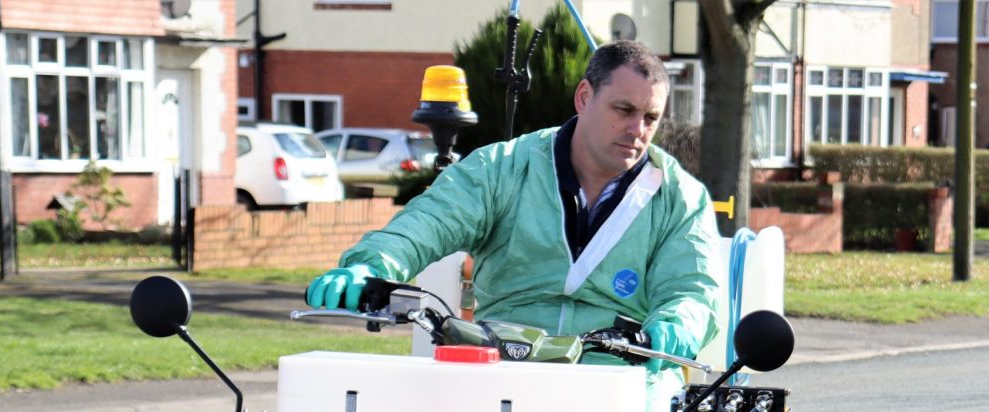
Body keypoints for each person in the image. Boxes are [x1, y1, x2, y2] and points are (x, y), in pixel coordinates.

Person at [305, 40, 720, 369]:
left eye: (651, 117)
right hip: (502, 373)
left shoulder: (681, 197)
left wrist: (678, 322)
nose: (637, 130)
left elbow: (692, 289)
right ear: (583, 97)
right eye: (624, 109)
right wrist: (372, 265)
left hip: (618, 390)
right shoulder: (501, 169)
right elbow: (426, 225)